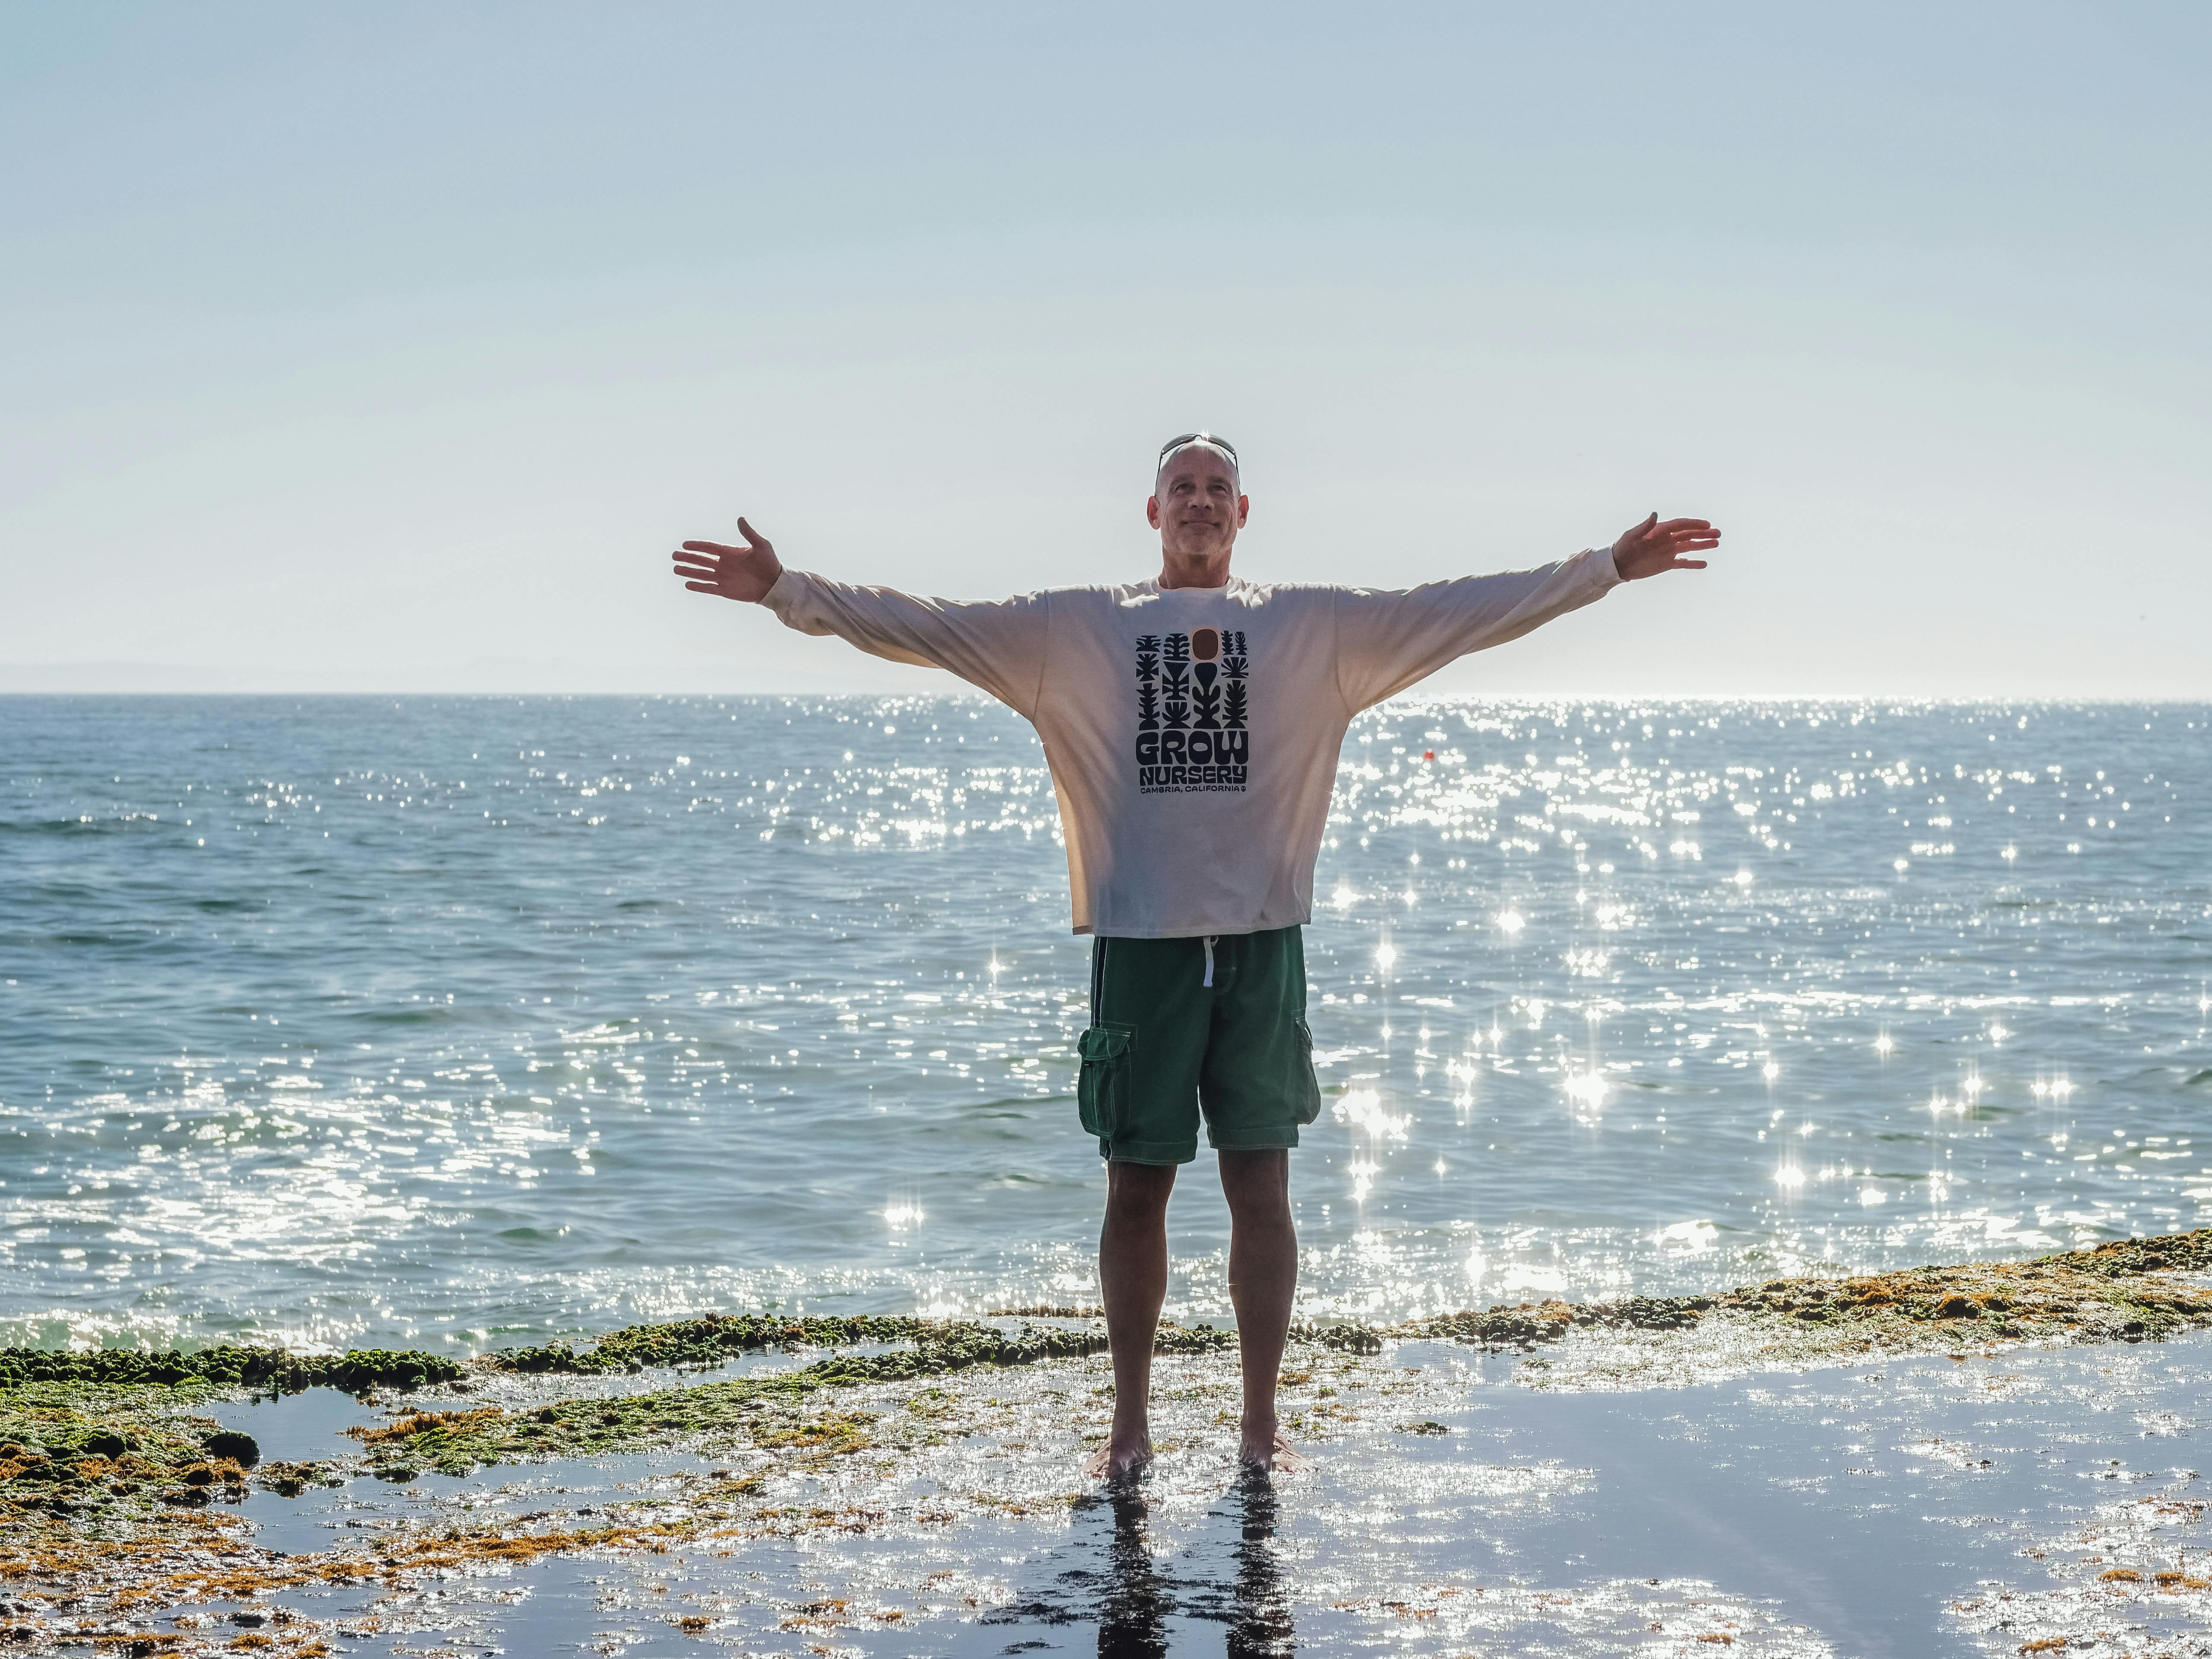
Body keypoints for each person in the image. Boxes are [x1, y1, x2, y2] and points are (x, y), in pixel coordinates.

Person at [670, 433, 1718, 1479]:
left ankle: (1260, 1423)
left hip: (1263, 939)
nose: (1202, 503)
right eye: (1184, 488)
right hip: (1143, 946)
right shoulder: (1081, 627)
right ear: (1154, 510)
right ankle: (1129, 1425)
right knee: (1137, 1190)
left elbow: (1465, 609)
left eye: (1219, 488)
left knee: (1262, 1187)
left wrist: (1606, 568)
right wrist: (788, 591)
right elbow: (928, 625)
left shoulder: (1310, 626)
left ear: (1244, 511)